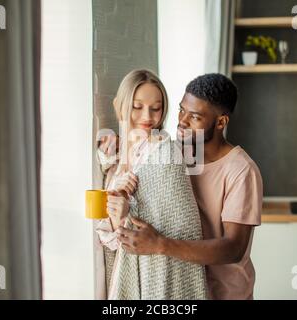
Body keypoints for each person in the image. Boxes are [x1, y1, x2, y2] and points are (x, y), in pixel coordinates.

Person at [115, 73, 263, 300]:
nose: (182, 121)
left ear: (221, 122)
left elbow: (234, 248)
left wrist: (159, 245)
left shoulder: (241, 170)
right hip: (184, 289)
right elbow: (142, 147)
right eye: (181, 110)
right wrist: (114, 140)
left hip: (225, 294)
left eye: (194, 117)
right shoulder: (178, 152)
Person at [95, 69, 208, 300]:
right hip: (125, 272)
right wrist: (120, 213)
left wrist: (128, 213)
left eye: (155, 108)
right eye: (137, 107)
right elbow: (113, 239)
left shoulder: (166, 154)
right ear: (121, 106)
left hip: (161, 277)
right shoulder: (116, 159)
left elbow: (184, 228)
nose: (147, 116)